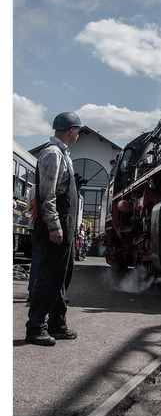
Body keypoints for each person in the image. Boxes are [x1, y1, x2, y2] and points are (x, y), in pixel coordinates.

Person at [25, 112, 82, 346]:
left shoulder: (63, 154)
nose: (78, 135)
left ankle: (57, 323)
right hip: (55, 227)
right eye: (78, 131)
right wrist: (53, 225)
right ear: (72, 131)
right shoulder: (52, 153)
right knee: (48, 277)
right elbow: (46, 194)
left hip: (65, 227)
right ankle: (36, 326)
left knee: (61, 278)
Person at [26, 184, 40, 302]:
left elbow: (28, 207)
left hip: (34, 224)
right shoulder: (52, 183)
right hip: (46, 227)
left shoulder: (33, 187)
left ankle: (32, 292)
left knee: (36, 260)